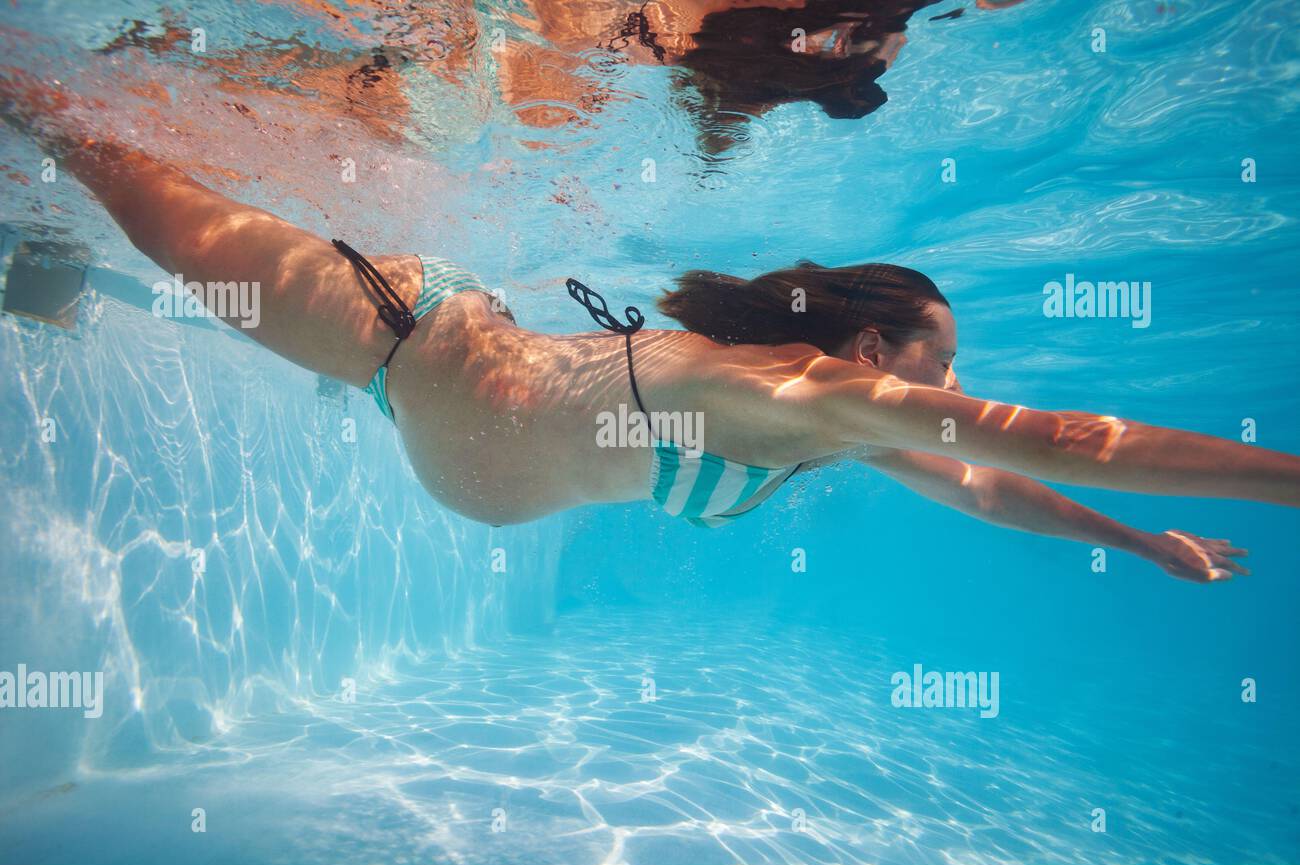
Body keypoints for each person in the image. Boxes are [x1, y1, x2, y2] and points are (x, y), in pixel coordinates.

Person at [4, 75, 1291, 585]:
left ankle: (45, 267)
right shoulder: (795, 393)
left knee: (158, 262)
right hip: (408, 333)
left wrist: (1143, 543)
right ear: (866, 353)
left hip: (420, 397)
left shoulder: (838, 432)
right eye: (941, 362)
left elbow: (1006, 488)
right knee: (133, 182)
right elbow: (1064, 440)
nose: (958, 389)